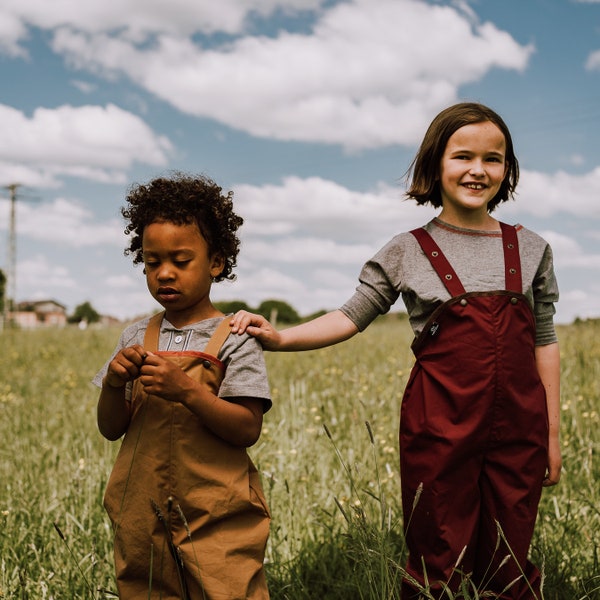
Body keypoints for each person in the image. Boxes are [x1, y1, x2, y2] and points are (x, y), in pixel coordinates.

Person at [230, 103, 561, 599]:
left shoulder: (530, 247)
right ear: (434, 164)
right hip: (440, 427)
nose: (478, 170)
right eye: (462, 156)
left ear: (507, 169)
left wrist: (552, 432)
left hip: (520, 427)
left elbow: (544, 338)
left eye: (493, 159)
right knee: (438, 554)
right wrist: (280, 337)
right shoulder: (407, 250)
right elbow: (350, 315)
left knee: (509, 560)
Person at [94, 173, 272, 600]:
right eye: (152, 262)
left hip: (217, 509)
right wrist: (115, 384)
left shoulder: (235, 337)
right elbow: (110, 428)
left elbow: (247, 428)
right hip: (141, 509)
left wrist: (188, 391)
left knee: (228, 588)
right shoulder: (135, 336)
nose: (164, 274)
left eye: (181, 260)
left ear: (216, 262)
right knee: (147, 588)